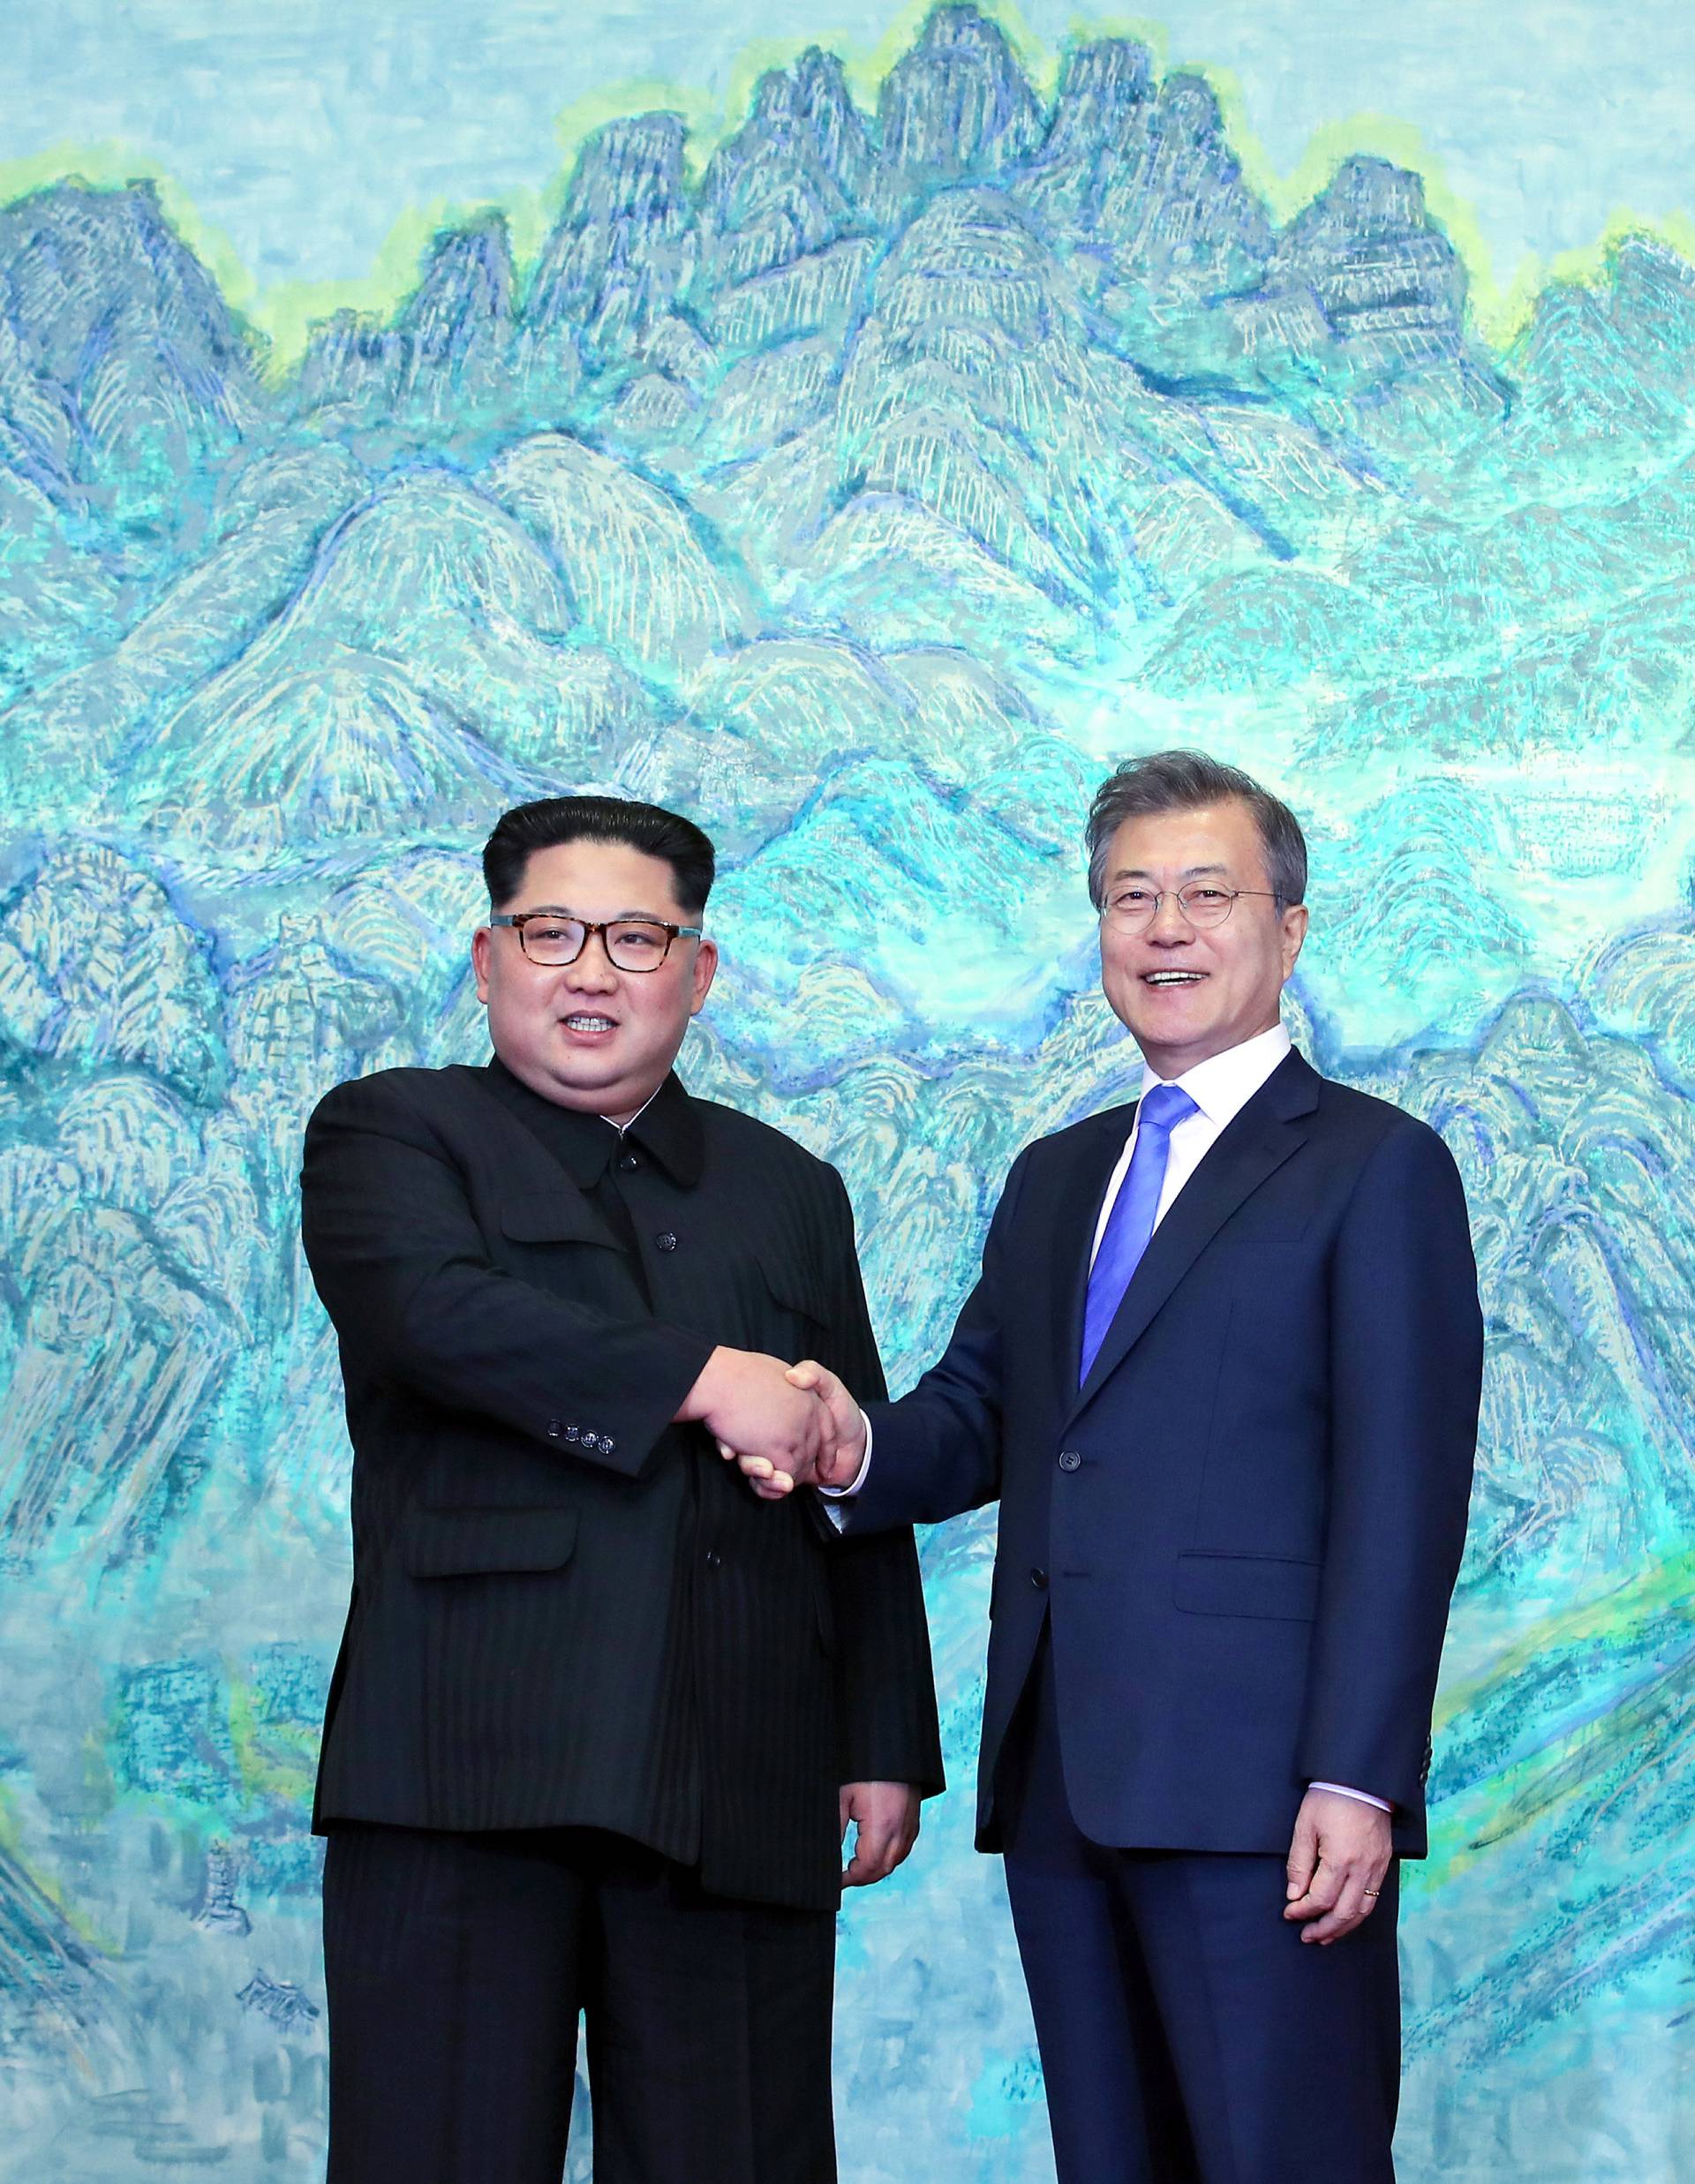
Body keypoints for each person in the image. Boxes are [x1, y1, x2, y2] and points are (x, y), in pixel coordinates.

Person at [734, 750, 1483, 2181]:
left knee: (1286, 2156)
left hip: (1269, 1797)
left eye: (1208, 893)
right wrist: (843, 1440)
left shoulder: (1378, 1168)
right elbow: (976, 1414)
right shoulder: (1056, 1174)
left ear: (1292, 926)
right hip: (1065, 1775)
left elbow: (1406, 1495)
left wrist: (1357, 1776)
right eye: (1131, 897)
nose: (1165, 928)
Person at [300, 794, 942, 2184]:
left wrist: (884, 1728)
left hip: (742, 1761)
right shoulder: (389, 1133)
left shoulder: (791, 1189)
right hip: (463, 1763)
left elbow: (850, 1452)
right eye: (552, 931)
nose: (591, 970)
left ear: (698, 974)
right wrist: (712, 1375)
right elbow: (438, 1315)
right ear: (487, 959)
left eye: (638, 938)